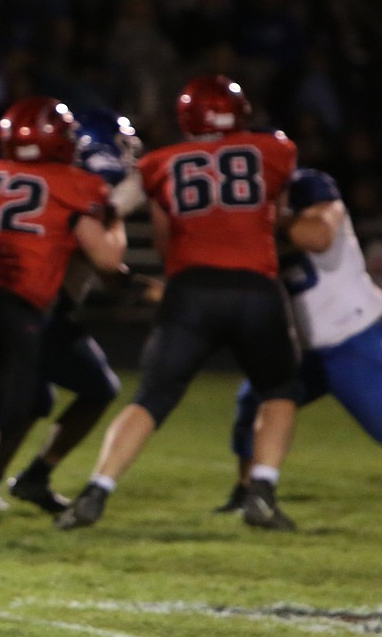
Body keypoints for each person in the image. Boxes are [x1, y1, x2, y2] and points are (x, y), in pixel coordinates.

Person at [56, 74, 301, 531]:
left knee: (152, 398)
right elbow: (275, 213)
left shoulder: (159, 162)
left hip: (191, 290)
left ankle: (96, 490)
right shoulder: (275, 150)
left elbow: (126, 215)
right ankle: (262, 491)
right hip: (255, 287)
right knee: (280, 391)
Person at [0, 97, 127, 517]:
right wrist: (116, 218)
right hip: (21, 304)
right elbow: (105, 263)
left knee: (7, 404)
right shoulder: (77, 185)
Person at [220, 168, 382, 516]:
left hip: (354, 338)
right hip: (303, 349)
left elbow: (320, 235)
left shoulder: (309, 187)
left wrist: (264, 218)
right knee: (251, 405)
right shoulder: (237, 206)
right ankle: (249, 493)